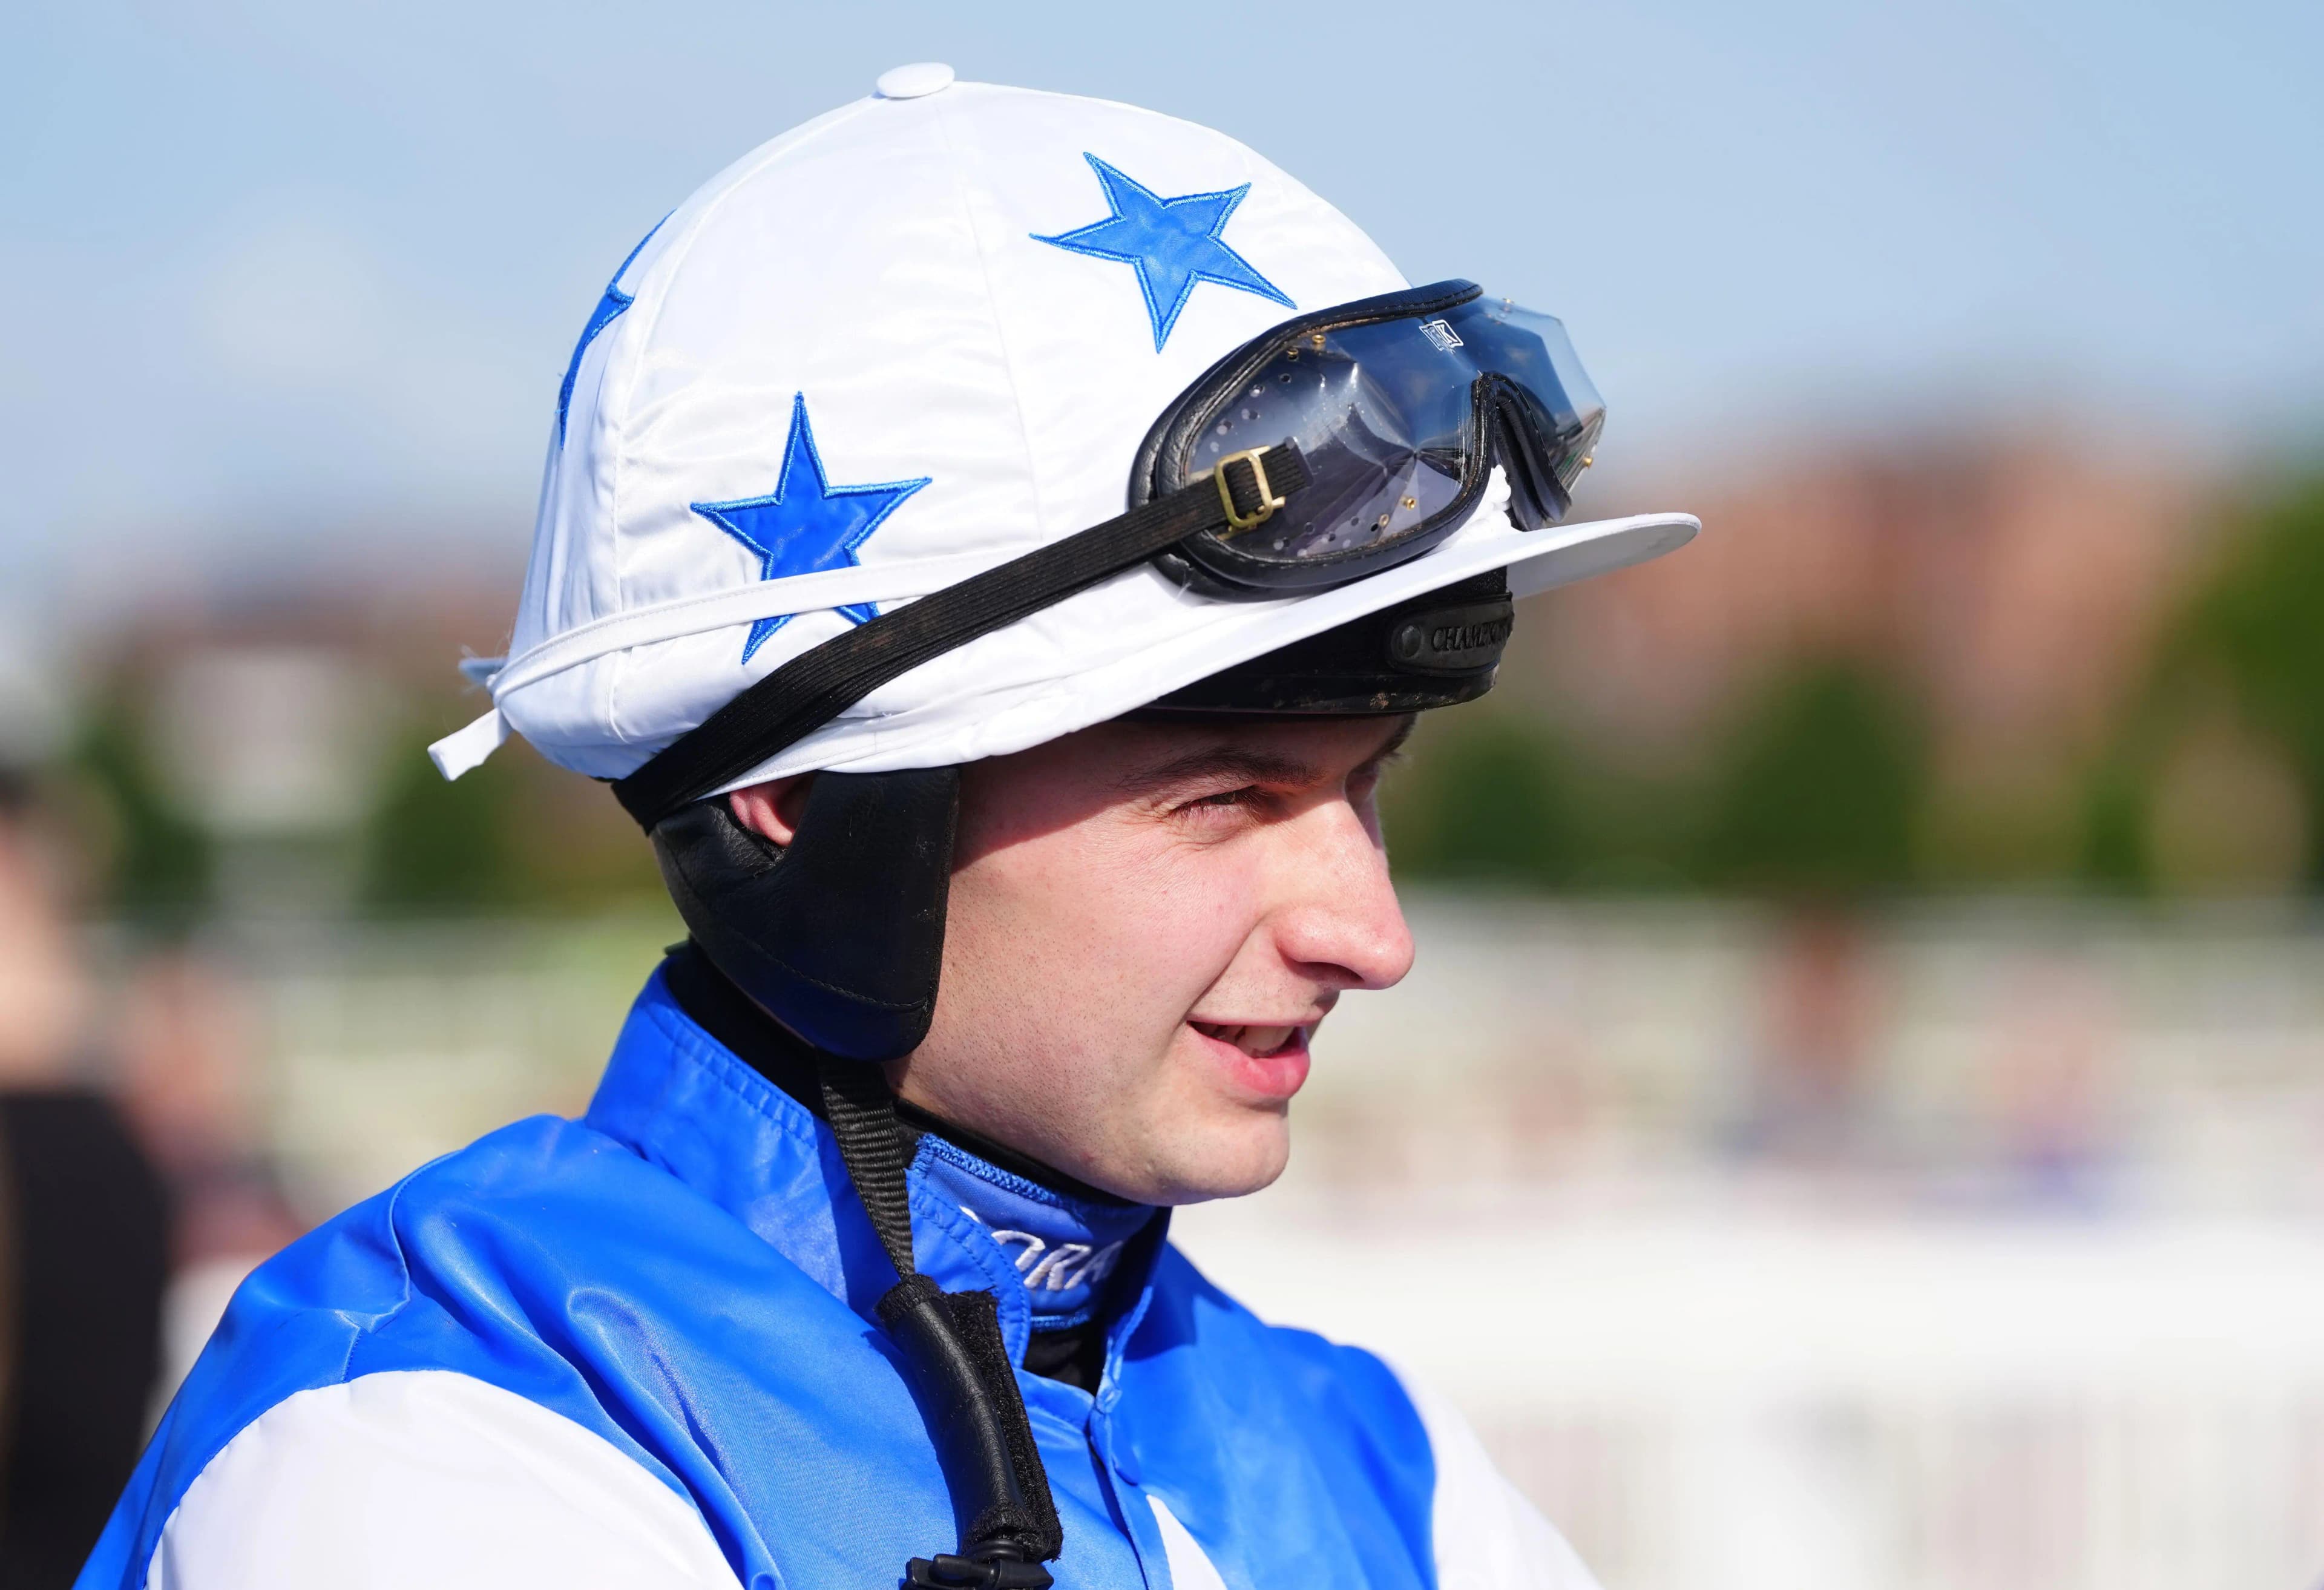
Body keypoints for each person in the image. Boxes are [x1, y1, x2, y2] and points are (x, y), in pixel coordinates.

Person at [77, 68, 1696, 1590]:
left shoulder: (1385, 1474)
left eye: (1366, 784)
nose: (1372, 931)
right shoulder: (429, 1448)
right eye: (1226, 797)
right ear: (799, 797)